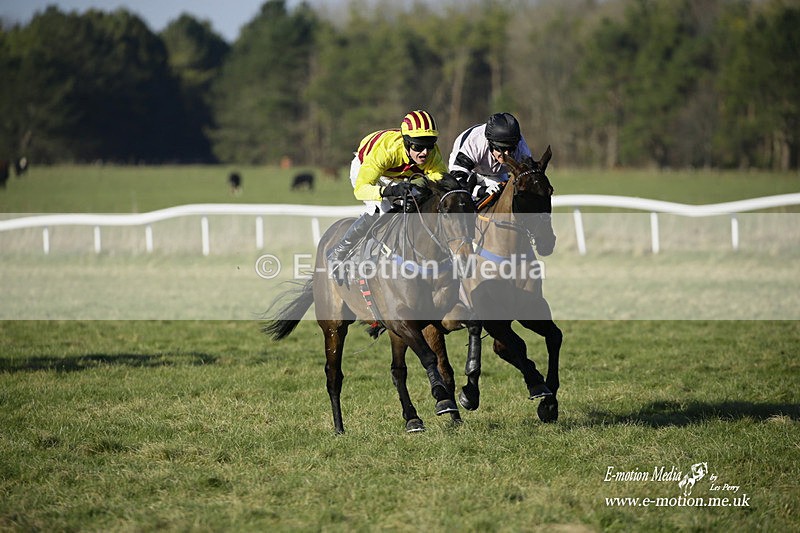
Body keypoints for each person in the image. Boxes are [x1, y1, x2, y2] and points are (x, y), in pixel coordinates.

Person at [327, 110, 448, 263]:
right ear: (407, 142)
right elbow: (361, 190)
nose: (425, 152)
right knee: (380, 211)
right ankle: (339, 252)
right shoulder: (386, 152)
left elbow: (441, 185)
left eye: (430, 145)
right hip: (366, 170)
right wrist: (389, 191)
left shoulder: (433, 155)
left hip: (398, 176)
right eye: (419, 147)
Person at [448, 112, 533, 202]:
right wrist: (481, 190)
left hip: (495, 174)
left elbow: (530, 178)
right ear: (490, 143)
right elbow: (457, 180)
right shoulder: (475, 143)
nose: (507, 154)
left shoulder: (521, 148)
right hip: (468, 171)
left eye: (511, 149)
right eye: (502, 149)